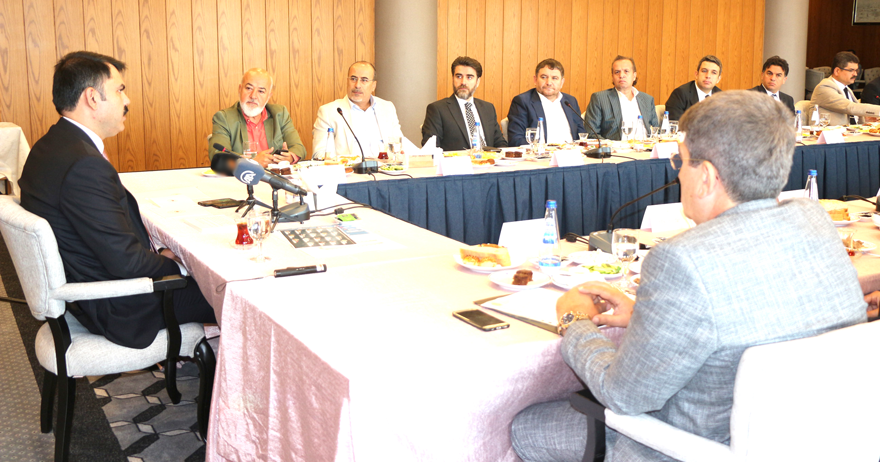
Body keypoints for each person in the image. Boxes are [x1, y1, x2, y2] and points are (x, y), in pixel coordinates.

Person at [510, 90, 866, 462]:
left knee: (523, 425)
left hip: (689, 447)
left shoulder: (681, 260)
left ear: (707, 177)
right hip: (815, 441)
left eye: (680, 160)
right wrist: (649, 315)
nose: (678, 171)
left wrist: (575, 320)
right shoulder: (814, 220)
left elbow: (622, 395)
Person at [19, 51, 216, 349]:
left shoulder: (51, 145)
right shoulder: (84, 165)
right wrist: (179, 268)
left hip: (89, 288)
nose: (127, 100)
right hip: (120, 305)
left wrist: (159, 258)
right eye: (120, 90)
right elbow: (127, 262)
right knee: (234, 292)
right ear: (92, 98)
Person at [312, 61, 411, 159]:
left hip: (385, 167)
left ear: (373, 85)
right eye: (353, 79)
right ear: (347, 81)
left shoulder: (387, 108)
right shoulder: (328, 112)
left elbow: (399, 146)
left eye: (364, 80)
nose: (357, 85)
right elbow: (319, 154)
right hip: (349, 168)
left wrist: (402, 153)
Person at [211, 68, 306, 167]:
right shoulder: (224, 118)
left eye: (261, 91)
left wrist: (289, 157)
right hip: (242, 175)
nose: (253, 96)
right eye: (249, 88)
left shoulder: (279, 114)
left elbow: (299, 148)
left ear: (268, 96)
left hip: (274, 174)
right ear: (240, 89)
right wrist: (252, 162)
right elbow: (217, 156)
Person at [421, 56, 508, 151]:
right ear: (453, 78)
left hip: (489, 159)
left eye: (469, 77)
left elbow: (500, 143)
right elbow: (431, 149)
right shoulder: (437, 109)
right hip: (457, 160)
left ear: (477, 82)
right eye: (459, 76)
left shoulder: (488, 108)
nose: (463, 82)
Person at [507, 59, 586, 146]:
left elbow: (581, 135)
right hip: (541, 153)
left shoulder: (570, 101)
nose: (549, 83)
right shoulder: (523, 101)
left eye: (554, 78)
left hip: (571, 152)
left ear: (562, 82)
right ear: (535, 80)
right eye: (544, 77)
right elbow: (516, 139)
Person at [584, 56, 659, 140]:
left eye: (626, 71)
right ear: (612, 76)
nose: (621, 75)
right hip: (615, 147)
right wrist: (611, 145)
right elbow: (591, 134)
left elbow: (656, 131)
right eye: (617, 72)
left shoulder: (647, 99)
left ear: (634, 76)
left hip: (646, 146)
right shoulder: (600, 99)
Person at [810, 52, 879, 125]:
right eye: (851, 70)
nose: (855, 74)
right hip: (828, 131)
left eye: (856, 70)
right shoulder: (824, 87)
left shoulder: (847, 89)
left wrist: (866, 119)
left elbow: (852, 115)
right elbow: (849, 107)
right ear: (837, 71)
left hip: (850, 130)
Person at [664, 55, 723, 121]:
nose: (708, 76)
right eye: (704, 71)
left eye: (714, 72)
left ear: (718, 79)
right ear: (696, 74)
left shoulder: (721, 96)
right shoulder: (680, 94)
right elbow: (675, 123)